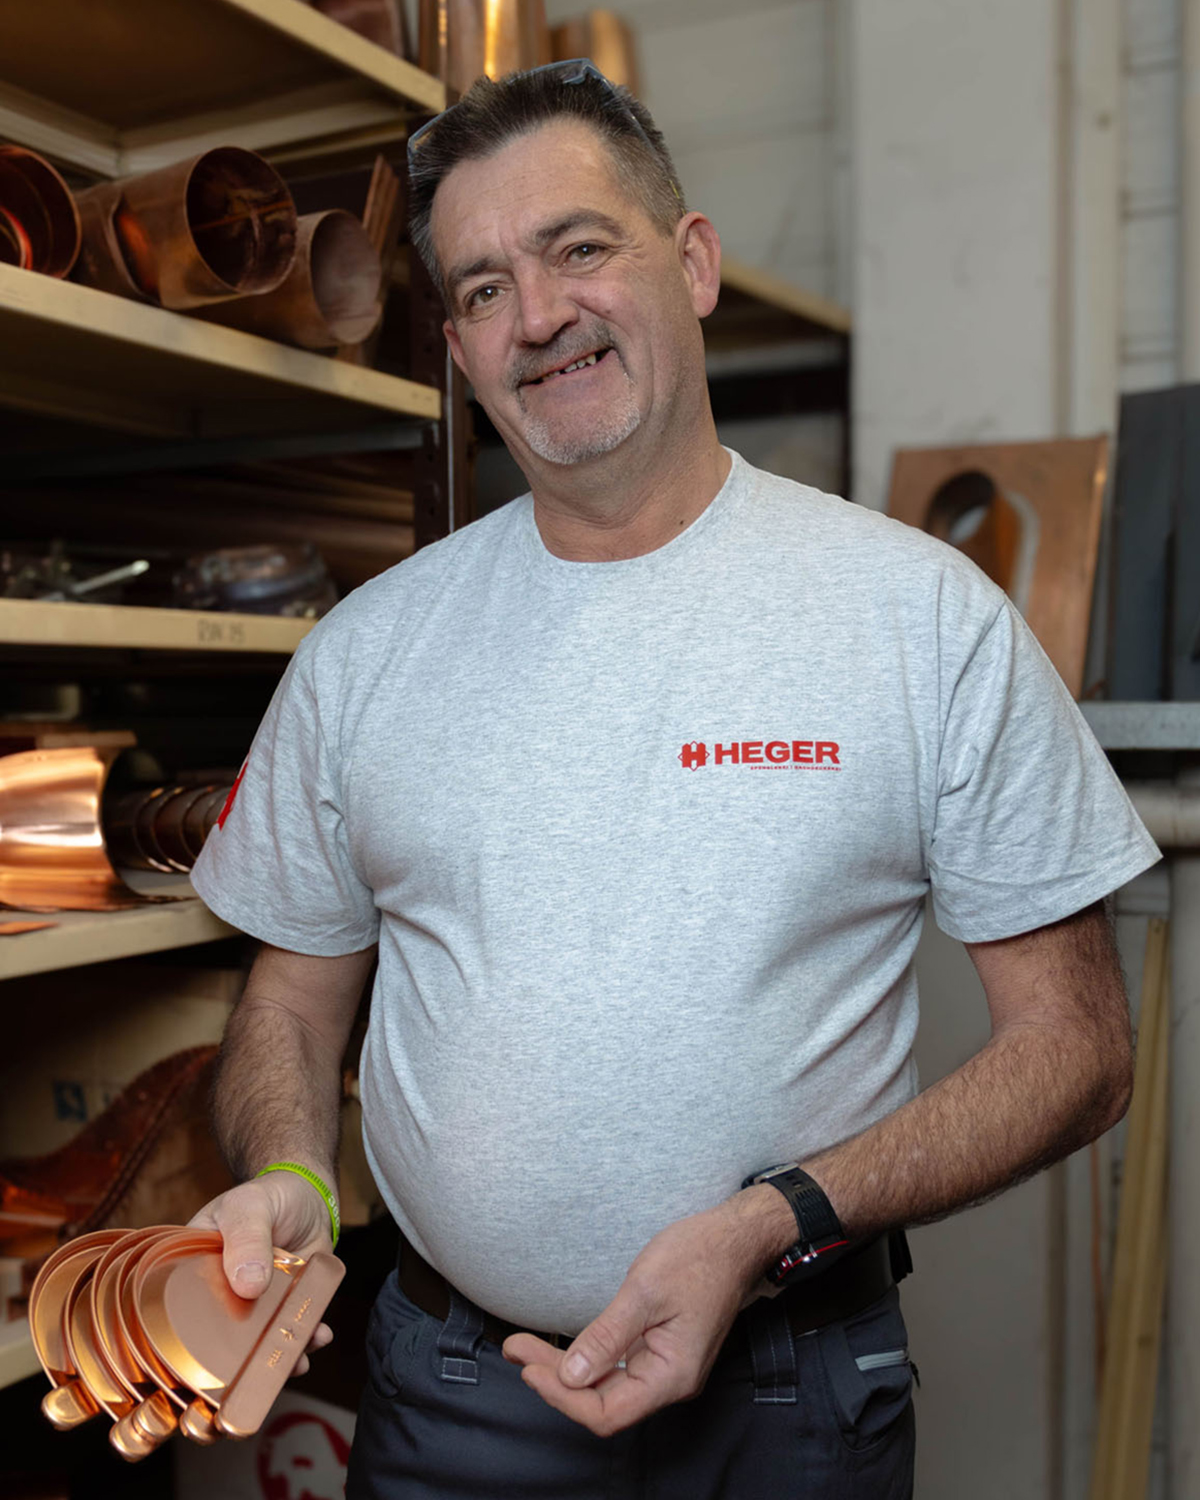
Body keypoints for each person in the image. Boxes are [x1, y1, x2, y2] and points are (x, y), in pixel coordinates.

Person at [189, 60, 1159, 1500]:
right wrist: (293, 1171)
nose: (540, 316)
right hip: (453, 1394)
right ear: (457, 352)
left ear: (691, 264)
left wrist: (776, 1220)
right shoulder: (364, 655)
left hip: (790, 1399)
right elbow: (289, 996)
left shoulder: (918, 613)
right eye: (480, 288)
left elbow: (1077, 1051)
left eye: (580, 248)